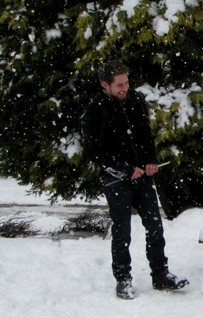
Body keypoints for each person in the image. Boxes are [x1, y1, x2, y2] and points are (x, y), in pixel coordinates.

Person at [81, 59, 189, 299]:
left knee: (155, 227)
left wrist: (150, 160)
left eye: (126, 83)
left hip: (142, 178)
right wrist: (124, 168)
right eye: (119, 85)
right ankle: (123, 279)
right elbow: (93, 150)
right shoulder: (95, 109)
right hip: (116, 180)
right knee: (122, 232)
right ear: (104, 85)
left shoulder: (136, 101)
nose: (124, 88)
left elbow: (145, 135)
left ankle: (161, 275)